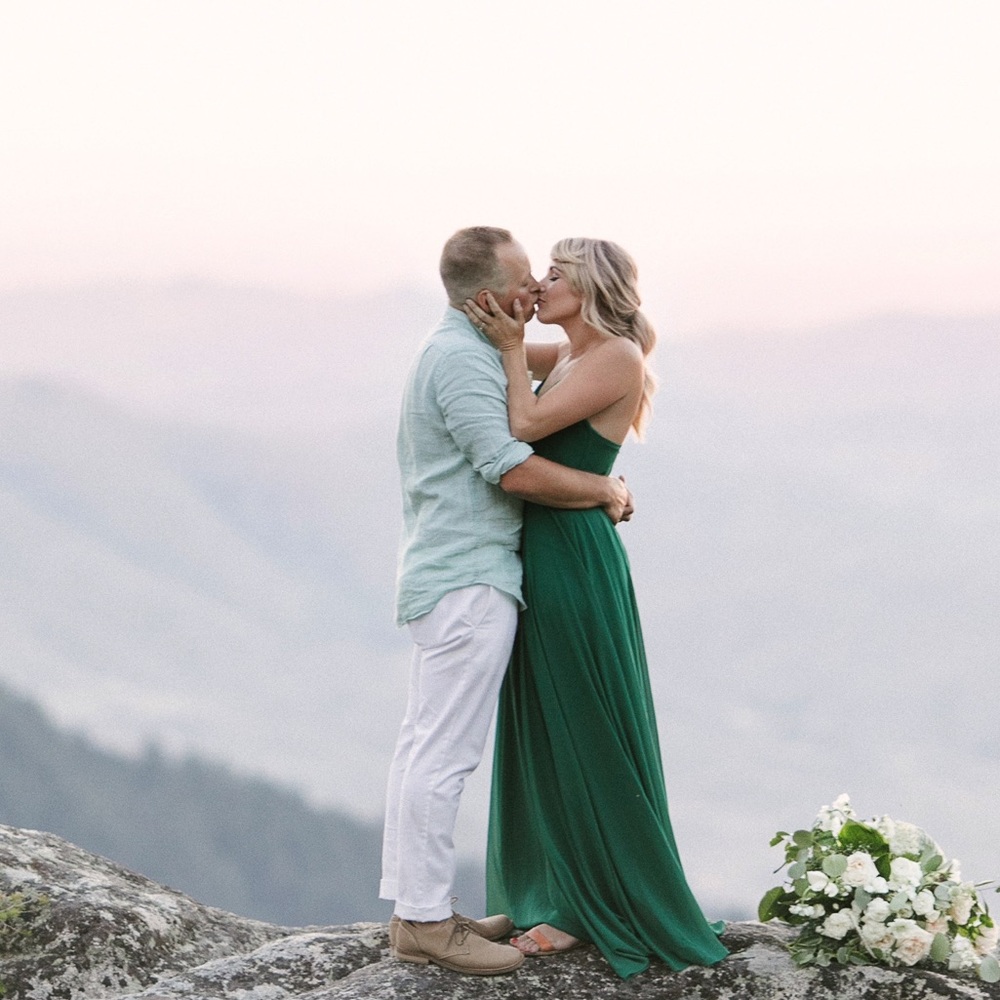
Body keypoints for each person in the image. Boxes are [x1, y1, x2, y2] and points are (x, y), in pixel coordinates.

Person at [464, 237, 729, 979]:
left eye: (554, 273)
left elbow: (521, 426)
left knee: (581, 718)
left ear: (590, 285)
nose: (541, 285)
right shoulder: (573, 354)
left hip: (573, 558)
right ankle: (545, 890)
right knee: (543, 718)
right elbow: (494, 365)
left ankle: (586, 909)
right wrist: (495, 320)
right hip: (542, 549)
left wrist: (515, 344)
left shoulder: (615, 355)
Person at [380, 227, 634, 977]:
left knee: (422, 745)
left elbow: (604, 355)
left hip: (456, 574)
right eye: (525, 279)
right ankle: (425, 923)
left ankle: (414, 910)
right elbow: (510, 468)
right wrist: (604, 489)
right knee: (443, 754)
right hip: (467, 578)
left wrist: (523, 341)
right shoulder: (461, 361)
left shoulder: (471, 348)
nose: (532, 289)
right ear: (488, 295)